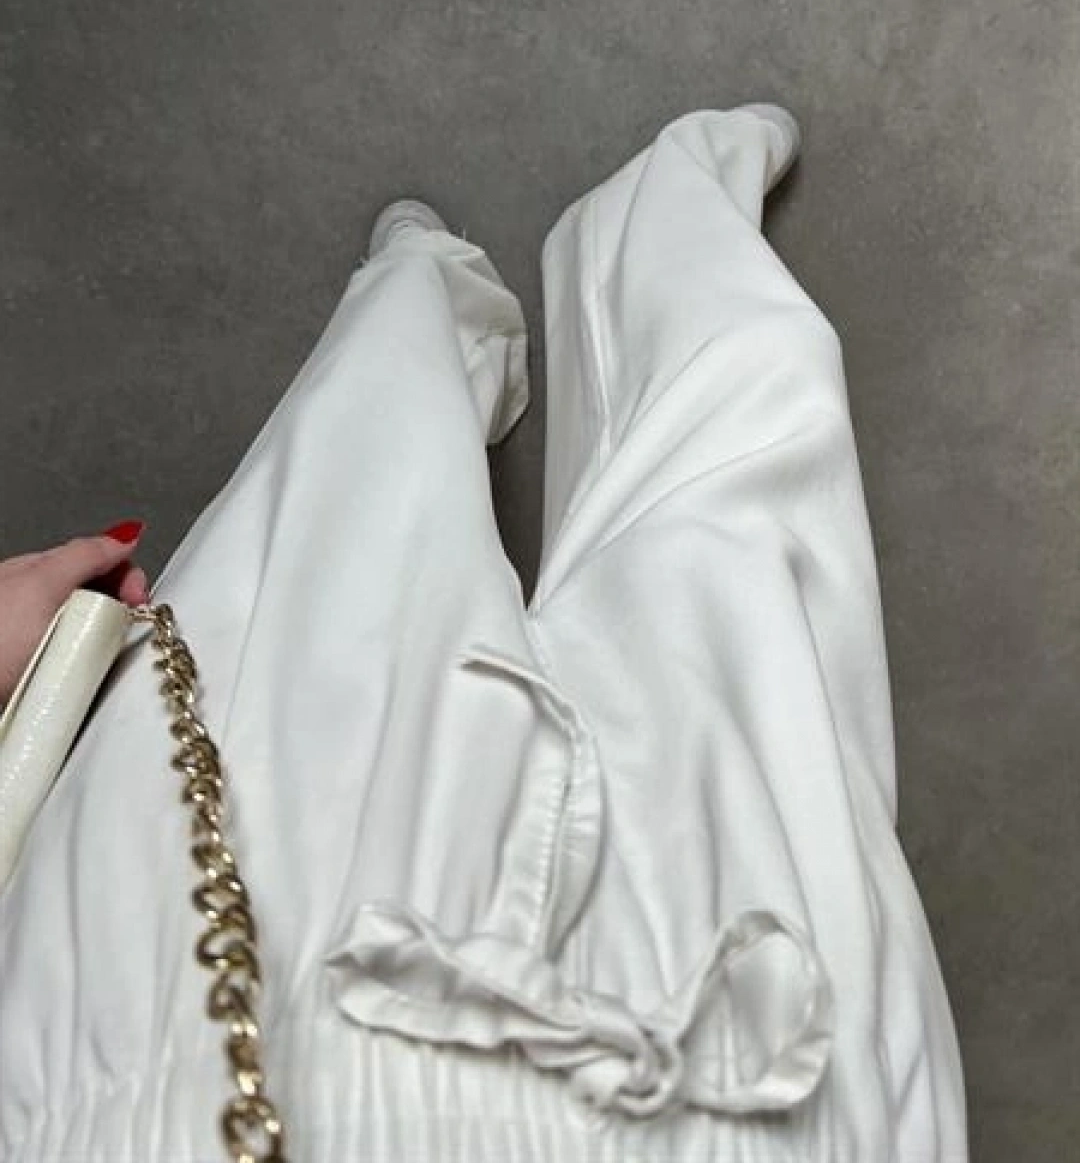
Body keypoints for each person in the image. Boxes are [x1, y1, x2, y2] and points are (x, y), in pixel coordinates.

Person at [0, 106, 967, 1161]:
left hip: (178, 1062)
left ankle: (432, 287)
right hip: (745, 1076)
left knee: (354, 506)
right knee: (735, 573)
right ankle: (634, 232)